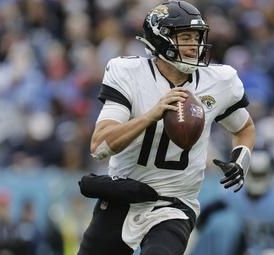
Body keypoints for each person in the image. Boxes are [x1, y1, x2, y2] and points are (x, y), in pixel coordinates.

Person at [77, 1, 255, 255]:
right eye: (185, 37)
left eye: (197, 37)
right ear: (160, 40)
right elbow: (100, 146)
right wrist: (151, 115)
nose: (194, 44)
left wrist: (241, 159)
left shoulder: (220, 81)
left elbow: (244, 127)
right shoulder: (129, 74)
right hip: (124, 194)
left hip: (175, 204)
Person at [193, 151, 274, 255]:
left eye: (261, 174)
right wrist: (197, 230)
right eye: (255, 174)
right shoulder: (236, 198)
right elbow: (206, 213)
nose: (258, 179)